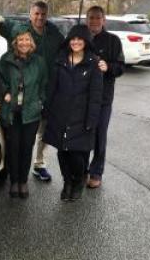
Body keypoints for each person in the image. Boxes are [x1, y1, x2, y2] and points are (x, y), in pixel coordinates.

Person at [0, 0, 64, 182]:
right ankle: (8, 168)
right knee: (14, 136)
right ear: (30, 14)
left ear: (46, 15)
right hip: (18, 92)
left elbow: (67, 48)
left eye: (43, 14)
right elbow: (0, 22)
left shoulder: (54, 33)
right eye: (36, 14)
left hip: (43, 89)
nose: (40, 17)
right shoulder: (19, 28)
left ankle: (39, 163)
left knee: (42, 129)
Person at [43, 25, 103, 201]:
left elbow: (96, 96)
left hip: (81, 117)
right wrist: (47, 109)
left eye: (79, 39)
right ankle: (67, 182)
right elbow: (52, 88)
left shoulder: (93, 63)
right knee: (62, 152)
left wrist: (92, 119)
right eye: (73, 39)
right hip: (60, 114)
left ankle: (77, 182)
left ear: (85, 41)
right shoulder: (60, 60)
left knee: (77, 154)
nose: (76, 42)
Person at [0, 24, 47, 198]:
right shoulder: (6, 60)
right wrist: (5, 92)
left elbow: (43, 84)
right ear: (15, 42)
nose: (24, 42)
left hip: (31, 113)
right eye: (20, 39)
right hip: (11, 112)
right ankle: (13, 181)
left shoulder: (39, 62)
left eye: (27, 39)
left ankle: (23, 181)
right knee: (13, 147)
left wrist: (40, 101)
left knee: (27, 148)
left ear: (32, 42)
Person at [84, 5, 125, 188]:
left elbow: (121, 67)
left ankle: (96, 172)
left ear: (103, 20)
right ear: (86, 19)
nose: (94, 21)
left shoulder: (113, 41)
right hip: (82, 97)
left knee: (100, 135)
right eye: (91, 18)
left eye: (97, 18)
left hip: (103, 99)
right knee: (82, 135)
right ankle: (81, 170)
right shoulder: (79, 39)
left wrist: (108, 67)